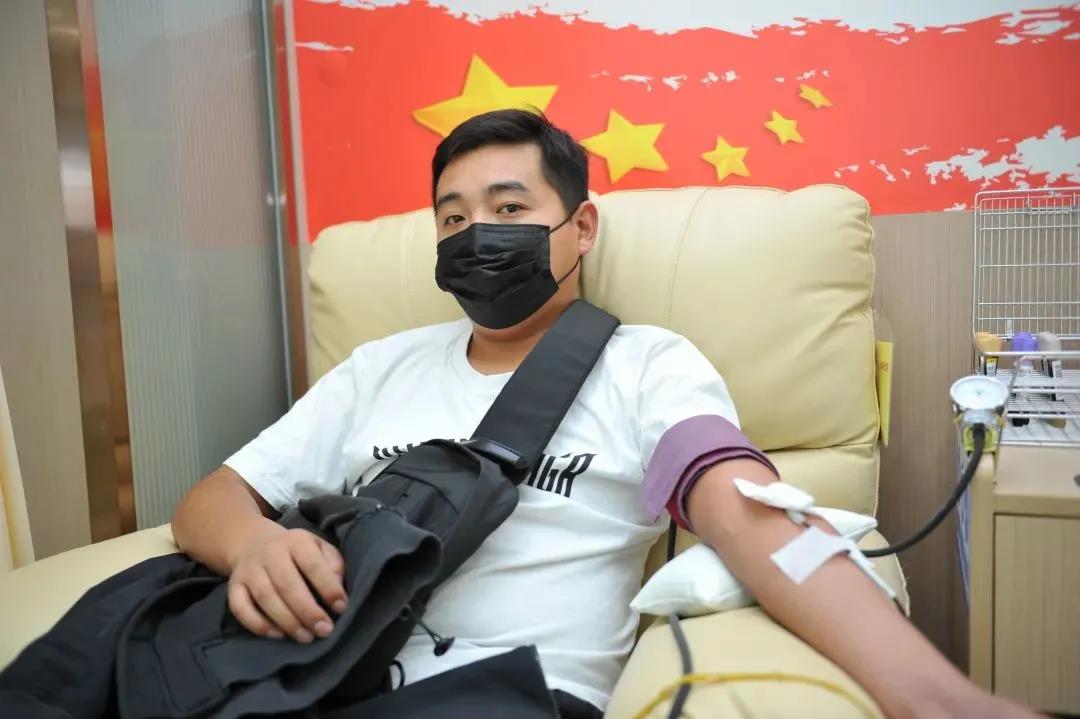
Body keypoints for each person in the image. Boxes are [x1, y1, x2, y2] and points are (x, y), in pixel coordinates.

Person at [172, 109, 1034, 718]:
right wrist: (253, 543)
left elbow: (747, 506)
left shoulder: (646, 364)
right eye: (453, 217)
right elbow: (214, 495)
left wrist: (936, 697)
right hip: (318, 678)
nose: (477, 233)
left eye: (510, 209)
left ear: (581, 227)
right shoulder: (378, 367)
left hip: (513, 695)